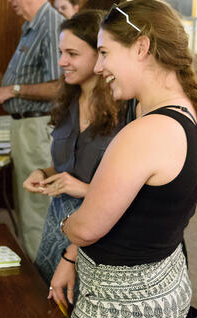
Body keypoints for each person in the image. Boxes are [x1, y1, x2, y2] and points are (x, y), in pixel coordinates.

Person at [52, 1, 197, 318]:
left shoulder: (147, 131)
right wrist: (71, 258)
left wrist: (67, 223)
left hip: (122, 314)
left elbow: (86, 228)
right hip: (158, 290)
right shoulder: (185, 112)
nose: (99, 67)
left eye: (104, 52)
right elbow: (137, 213)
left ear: (142, 47)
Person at [23, 10, 123, 287]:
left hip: (100, 229)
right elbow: (65, 167)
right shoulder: (67, 101)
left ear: (99, 54)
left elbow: (134, 196)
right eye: (60, 52)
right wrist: (42, 173)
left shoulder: (125, 108)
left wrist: (81, 188)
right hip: (57, 221)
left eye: (72, 54)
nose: (62, 62)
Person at [0, 0, 64, 260]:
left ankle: (42, 282)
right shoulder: (32, 26)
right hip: (25, 125)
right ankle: (36, 272)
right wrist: (0, 78)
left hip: (36, 125)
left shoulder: (52, 24)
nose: (10, 2)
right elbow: (35, 77)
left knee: (36, 207)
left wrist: (13, 90)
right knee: (27, 204)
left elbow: (60, 86)